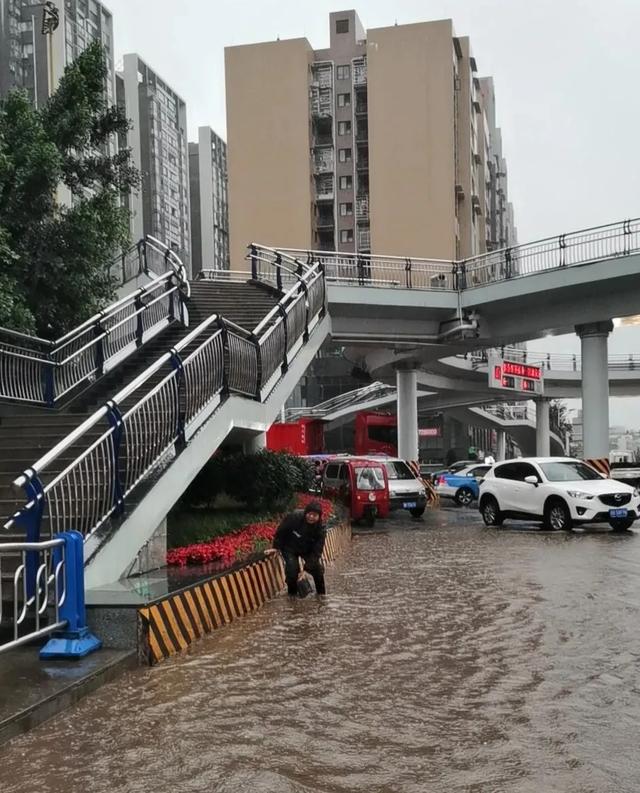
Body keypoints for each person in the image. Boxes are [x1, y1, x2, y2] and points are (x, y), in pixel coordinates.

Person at [268, 501, 327, 596]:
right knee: (292, 570)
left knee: (318, 570)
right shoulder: (294, 517)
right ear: (305, 513)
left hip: (307, 549)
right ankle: (292, 597)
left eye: (315, 515)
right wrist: (276, 547)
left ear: (319, 517)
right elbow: (281, 531)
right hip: (290, 547)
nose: (311, 517)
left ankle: (321, 596)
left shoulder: (321, 529)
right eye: (310, 514)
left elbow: (317, 551)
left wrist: (306, 570)